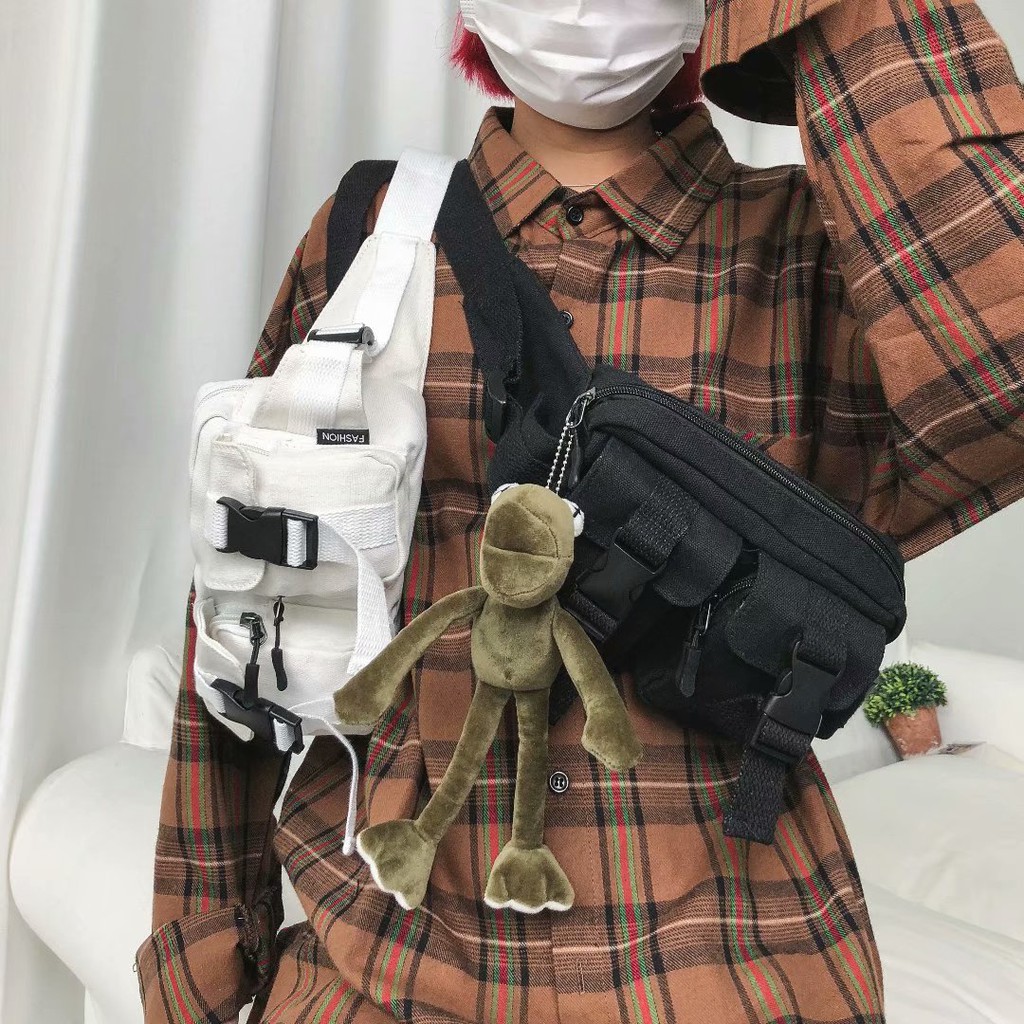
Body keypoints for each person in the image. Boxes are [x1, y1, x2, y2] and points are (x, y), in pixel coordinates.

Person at [136, 1, 1024, 1021]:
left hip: (730, 955)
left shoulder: (815, 248)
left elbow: (1001, 372)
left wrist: (817, 17)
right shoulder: (376, 233)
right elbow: (244, 586)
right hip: (383, 942)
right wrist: (202, 948)